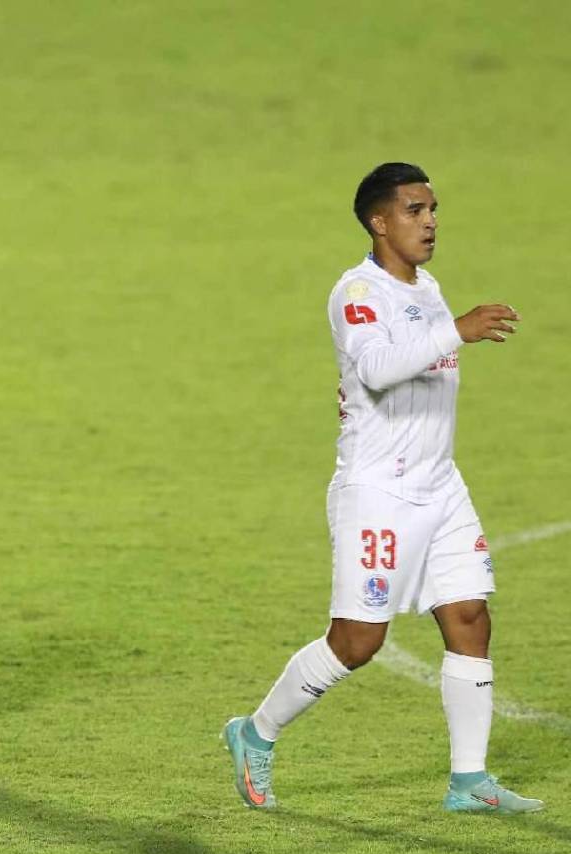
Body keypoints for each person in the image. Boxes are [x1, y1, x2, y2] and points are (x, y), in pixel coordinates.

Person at [223, 163, 543, 814]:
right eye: (415, 210)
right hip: (379, 491)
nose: (429, 222)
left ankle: (469, 780)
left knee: (468, 617)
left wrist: (450, 323)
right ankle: (255, 732)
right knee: (357, 641)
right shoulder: (356, 293)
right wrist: (459, 328)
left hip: (440, 483)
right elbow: (375, 368)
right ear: (379, 220)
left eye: (433, 210)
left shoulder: (428, 288)